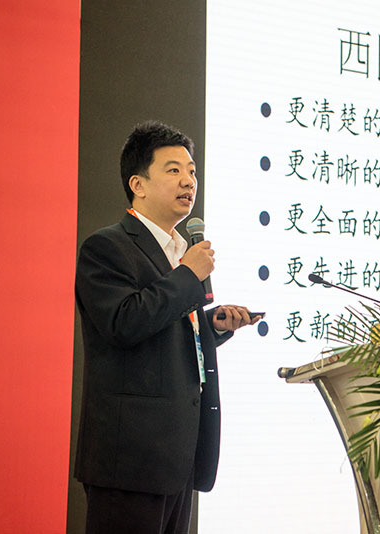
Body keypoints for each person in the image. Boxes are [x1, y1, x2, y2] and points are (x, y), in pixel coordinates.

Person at [74, 121, 259, 533]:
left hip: (177, 456)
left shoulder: (178, 250)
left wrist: (212, 325)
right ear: (138, 184)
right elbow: (123, 322)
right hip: (130, 461)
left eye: (191, 171)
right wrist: (188, 276)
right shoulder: (107, 247)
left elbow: (163, 330)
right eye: (173, 170)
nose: (188, 181)